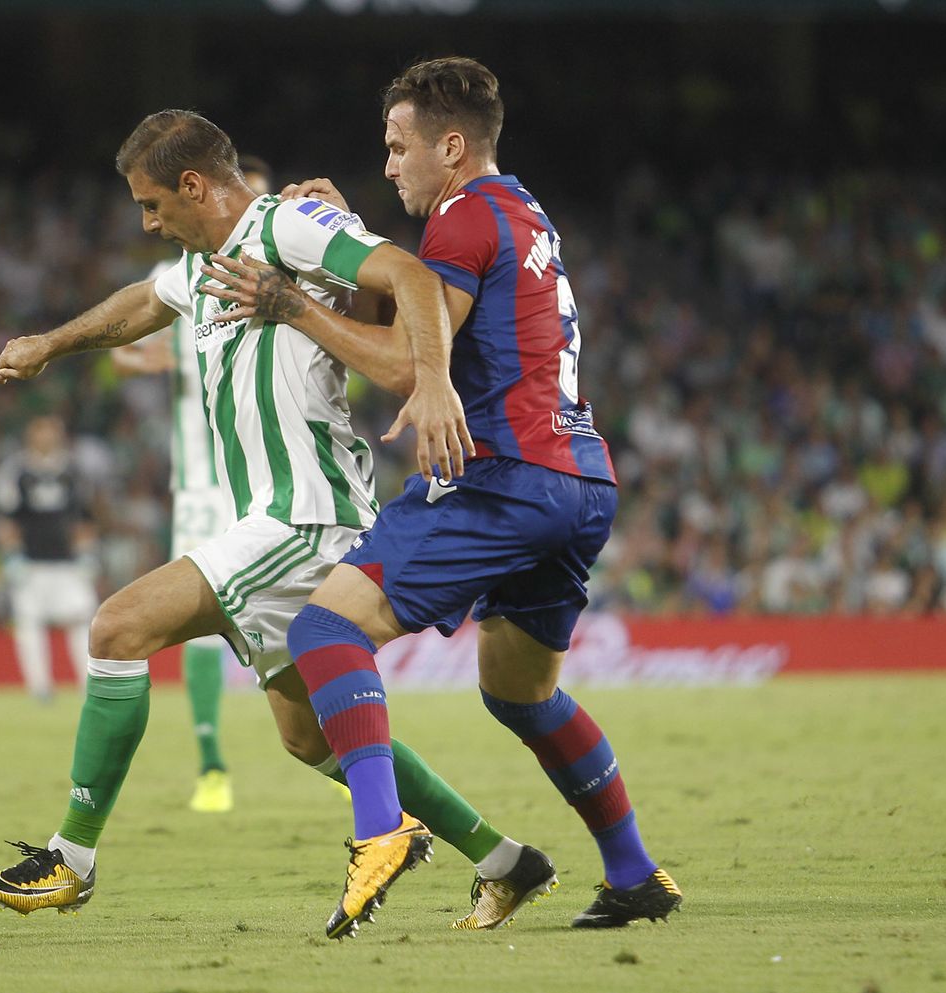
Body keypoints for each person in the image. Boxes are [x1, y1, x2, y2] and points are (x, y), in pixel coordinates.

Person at [0, 109, 554, 933]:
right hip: (279, 519)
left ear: (194, 184)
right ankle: (505, 858)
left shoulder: (289, 226)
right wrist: (49, 343)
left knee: (116, 627)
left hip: (305, 515)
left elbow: (409, 276)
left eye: (151, 203)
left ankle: (72, 858)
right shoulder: (200, 263)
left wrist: (431, 379)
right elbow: (143, 302)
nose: (147, 220)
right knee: (309, 739)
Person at [201, 57, 683, 937]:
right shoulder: (520, 208)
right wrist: (355, 236)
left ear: (450, 147)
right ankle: (633, 873)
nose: (389, 164)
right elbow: (438, 317)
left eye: (397, 146)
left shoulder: (460, 222)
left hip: (505, 474)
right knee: (521, 693)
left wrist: (289, 301)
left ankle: (380, 830)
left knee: (323, 627)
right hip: (581, 479)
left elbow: (400, 363)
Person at [109, 156, 275, 814]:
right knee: (203, 625)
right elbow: (125, 347)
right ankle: (212, 762)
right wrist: (168, 349)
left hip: (279, 478)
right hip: (207, 483)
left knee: (312, 619)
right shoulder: (179, 275)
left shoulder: (285, 260)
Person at [0, 414, 95, 701]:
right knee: (29, 624)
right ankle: (40, 688)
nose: (48, 438)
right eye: (42, 432)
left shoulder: (72, 470)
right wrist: (12, 555)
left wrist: (87, 553)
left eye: (52, 432)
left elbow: (84, 517)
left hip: (68, 563)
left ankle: (88, 684)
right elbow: (7, 517)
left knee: (81, 621)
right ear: (31, 436)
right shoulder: (16, 471)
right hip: (31, 563)